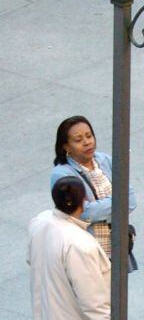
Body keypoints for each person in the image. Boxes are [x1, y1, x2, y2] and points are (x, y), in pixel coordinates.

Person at [50, 115, 138, 270]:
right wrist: (118, 202)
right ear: (66, 147)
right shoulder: (62, 174)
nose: (87, 142)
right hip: (89, 252)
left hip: (115, 247)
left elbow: (131, 200)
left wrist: (102, 208)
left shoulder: (106, 160)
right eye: (78, 140)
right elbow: (84, 212)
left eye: (89, 136)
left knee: (116, 292)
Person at [28, 176, 111, 319]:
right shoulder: (80, 244)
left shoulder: (39, 222)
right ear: (84, 201)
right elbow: (94, 304)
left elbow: (32, 261)